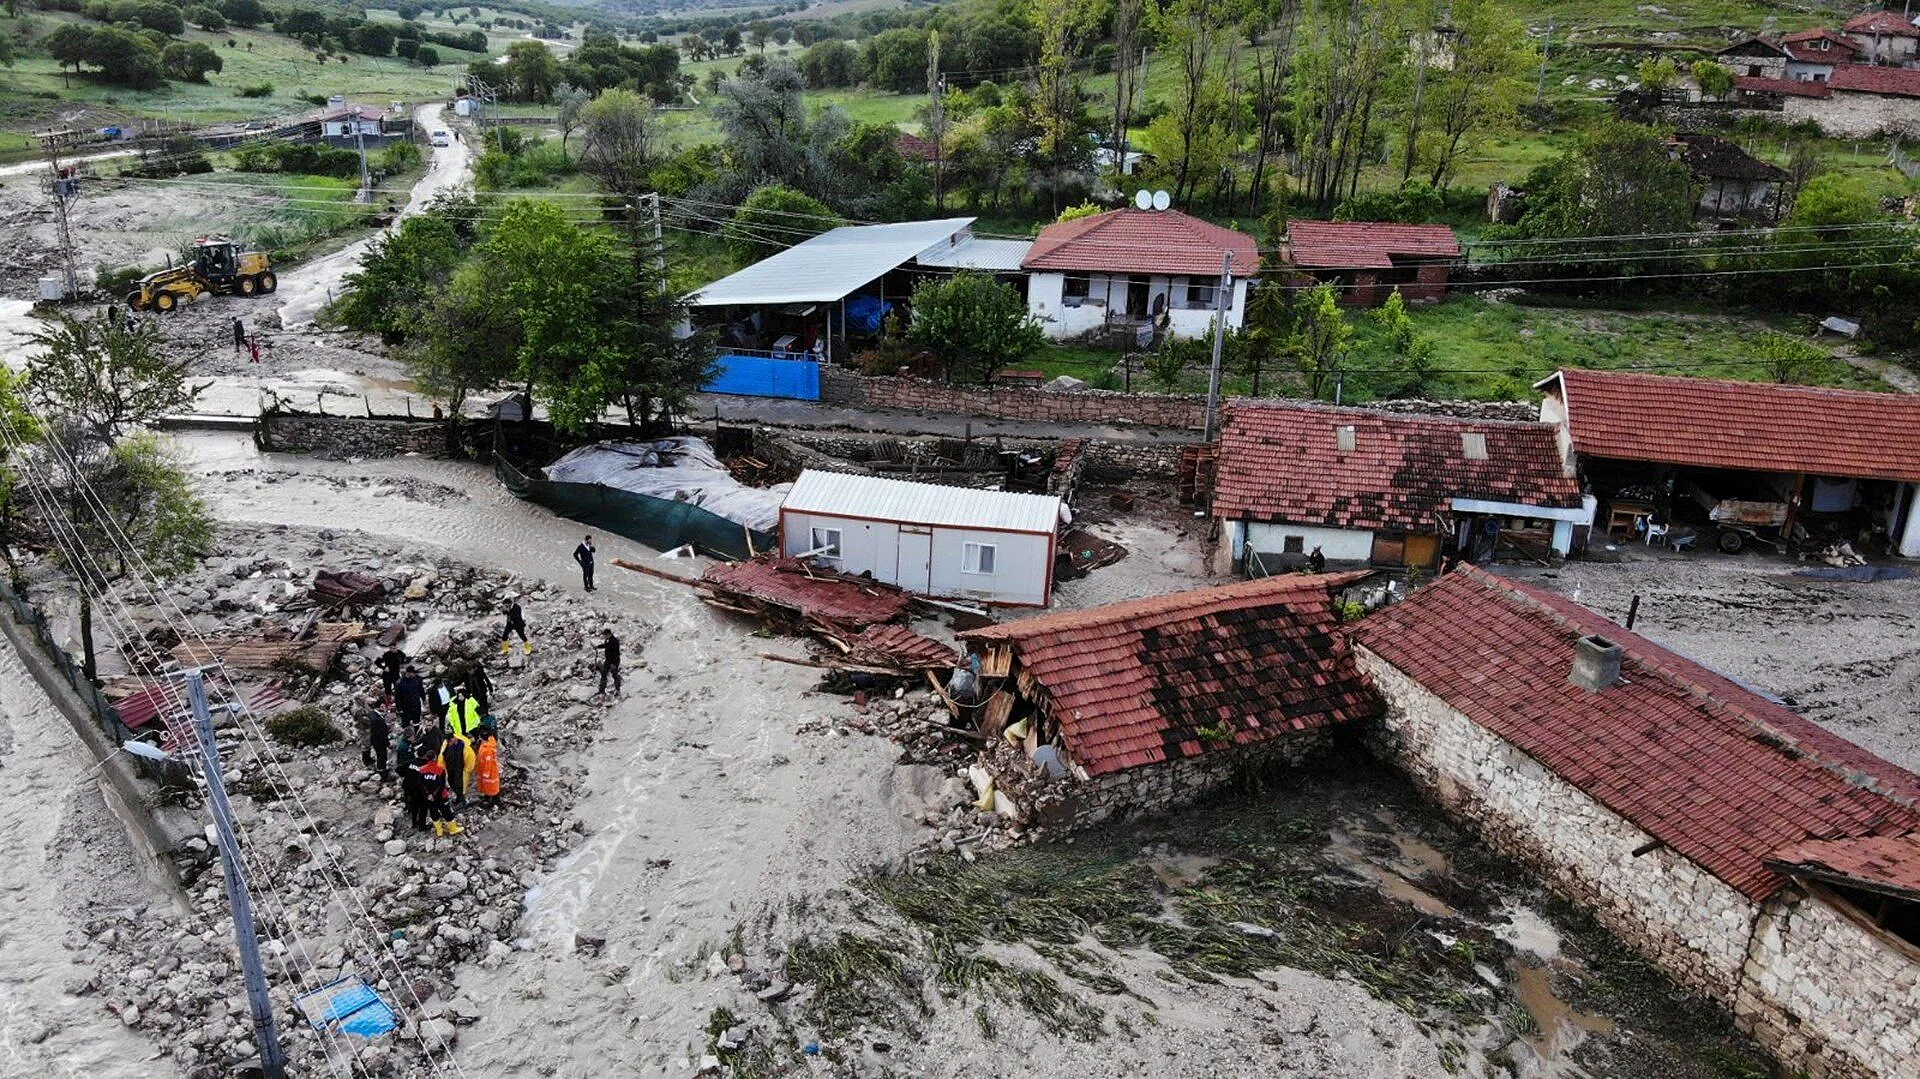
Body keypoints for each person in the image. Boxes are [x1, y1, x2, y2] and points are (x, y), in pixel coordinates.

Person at [420, 758, 461, 836]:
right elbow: (441, 785)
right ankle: (453, 829)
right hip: (440, 796)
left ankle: (439, 830)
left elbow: (421, 784)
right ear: (435, 759)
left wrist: (428, 794)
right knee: (446, 811)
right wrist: (434, 794)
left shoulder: (421, 770)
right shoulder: (440, 770)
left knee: (433, 812)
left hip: (428, 797)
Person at [440, 727, 472, 807]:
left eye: (450, 741)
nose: (449, 743)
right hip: (450, 767)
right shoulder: (447, 744)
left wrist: (467, 769)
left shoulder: (463, 746)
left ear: (454, 738)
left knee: (459, 784)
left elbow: (469, 758)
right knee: (451, 782)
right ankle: (459, 798)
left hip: (460, 768)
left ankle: (462, 801)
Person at [400, 752, 429, 832]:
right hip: (420, 790)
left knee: (413, 806)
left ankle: (414, 823)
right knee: (423, 808)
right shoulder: (426, 765)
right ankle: (422, 826)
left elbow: (398, 769)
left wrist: (406, 775)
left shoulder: (410, 762)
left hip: (408, 788)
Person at [363, 696, 391, 776]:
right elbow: (381, 735)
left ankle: (381, 769)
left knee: (380, 756)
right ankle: (382, 773)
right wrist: (388, 743)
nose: (385, 708)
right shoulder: (377, 720)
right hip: (379, 742)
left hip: (375, 739)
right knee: (382, 757)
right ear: (378, 707)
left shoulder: (373, 714)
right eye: (383, 706)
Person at [474, 727, 501, 805]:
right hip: (487, 770)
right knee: (489, 786)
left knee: (491, 787)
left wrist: (486, 773)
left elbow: (488, 762)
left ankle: (493, 801)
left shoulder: (488, 749)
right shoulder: (487, 744)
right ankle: (489, 797)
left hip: (489, 772)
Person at [597, 629, 621, 696]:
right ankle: (601, 690)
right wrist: (598, 647)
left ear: (609, 634)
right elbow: (606, 645)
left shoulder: (615, 642)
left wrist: (613, 664)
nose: (605, 636)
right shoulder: (608, 640)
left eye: (605, 635)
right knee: (603, 673)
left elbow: (616, 654)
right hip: (608, 661)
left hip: (614, 661)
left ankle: (618, 689)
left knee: (615, 675)